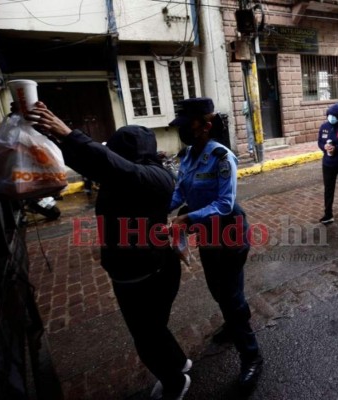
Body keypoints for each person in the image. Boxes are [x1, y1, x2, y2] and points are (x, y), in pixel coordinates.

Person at [27, 103, 191, 399]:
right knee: (154, 328)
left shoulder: (157, 178)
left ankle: (175, 382)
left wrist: (70, 132)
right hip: (138, 271)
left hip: (148, 274)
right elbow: (91, 162)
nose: (112, 159)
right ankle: (179, 362)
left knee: (146, 337)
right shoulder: (118, 176)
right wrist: (46, 133)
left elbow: (114, 165)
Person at [168, 97, 263, 390]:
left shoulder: (222, 157)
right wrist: (160, 211)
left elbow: (224, 203)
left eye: (188, 125)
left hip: (230, 231)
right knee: (218, 289)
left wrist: (186, 220)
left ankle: (252, 356)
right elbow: (180, 193)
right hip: (207, 234)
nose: (183, 130)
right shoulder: (186, 156)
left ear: (206, 125)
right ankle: (233, 321)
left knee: (231, 294)